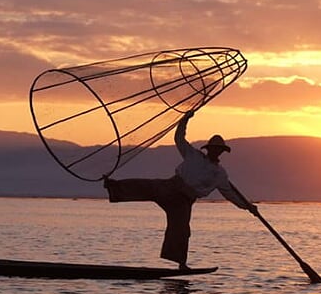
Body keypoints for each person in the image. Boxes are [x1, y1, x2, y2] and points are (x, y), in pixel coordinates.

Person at [103, 111, 258, 269]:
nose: (216, 151)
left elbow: (230, 194)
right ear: (209, 149)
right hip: (171, 186)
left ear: (222, 152)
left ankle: (181, 264)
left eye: (219, 150)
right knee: (145, 186)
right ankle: (113, 187)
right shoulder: (193, 155)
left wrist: (248, 206)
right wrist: (184, 120)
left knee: (181, 230)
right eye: (214, 148)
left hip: (184, 200)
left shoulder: (219, 174)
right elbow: (179, 139)